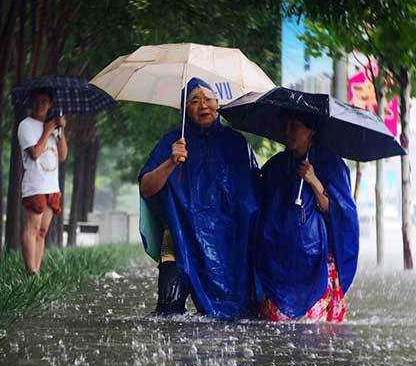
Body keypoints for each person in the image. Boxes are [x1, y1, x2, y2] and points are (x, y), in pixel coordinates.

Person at [139, 77, 259, 319]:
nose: (203, 105)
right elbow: (146, 188)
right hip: (178, 238)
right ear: (185, 110)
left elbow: (251, 196)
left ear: (219, 103)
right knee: (168, 314)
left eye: (208, 99)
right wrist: (171, 162)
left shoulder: (236, 144)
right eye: (195, 100)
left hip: (227, 243)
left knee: (235, 317)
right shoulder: (171, 143)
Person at [255, 112, 359, 322]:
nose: (288, 132)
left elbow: (340, 213)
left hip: (317, 264)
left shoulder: (331, 165)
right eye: (286, 126)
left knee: (316, 332)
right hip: (280, 263)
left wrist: (313, 180)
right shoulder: (276, 166)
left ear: (311, 130)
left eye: (295, 126)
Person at [18, 88, 68, 274]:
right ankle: (29, 271)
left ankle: (36, 270)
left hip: (52, 186)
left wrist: (61, 132)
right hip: (35, 185)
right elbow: (35, 153)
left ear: (50, 105)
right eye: (37, 101)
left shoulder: (54, 128)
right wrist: (47, 131)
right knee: (33, 227)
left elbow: (62, 156)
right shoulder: (26, 126)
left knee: (42, 231)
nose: (41, 105)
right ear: (31, 102)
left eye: (45, 101)